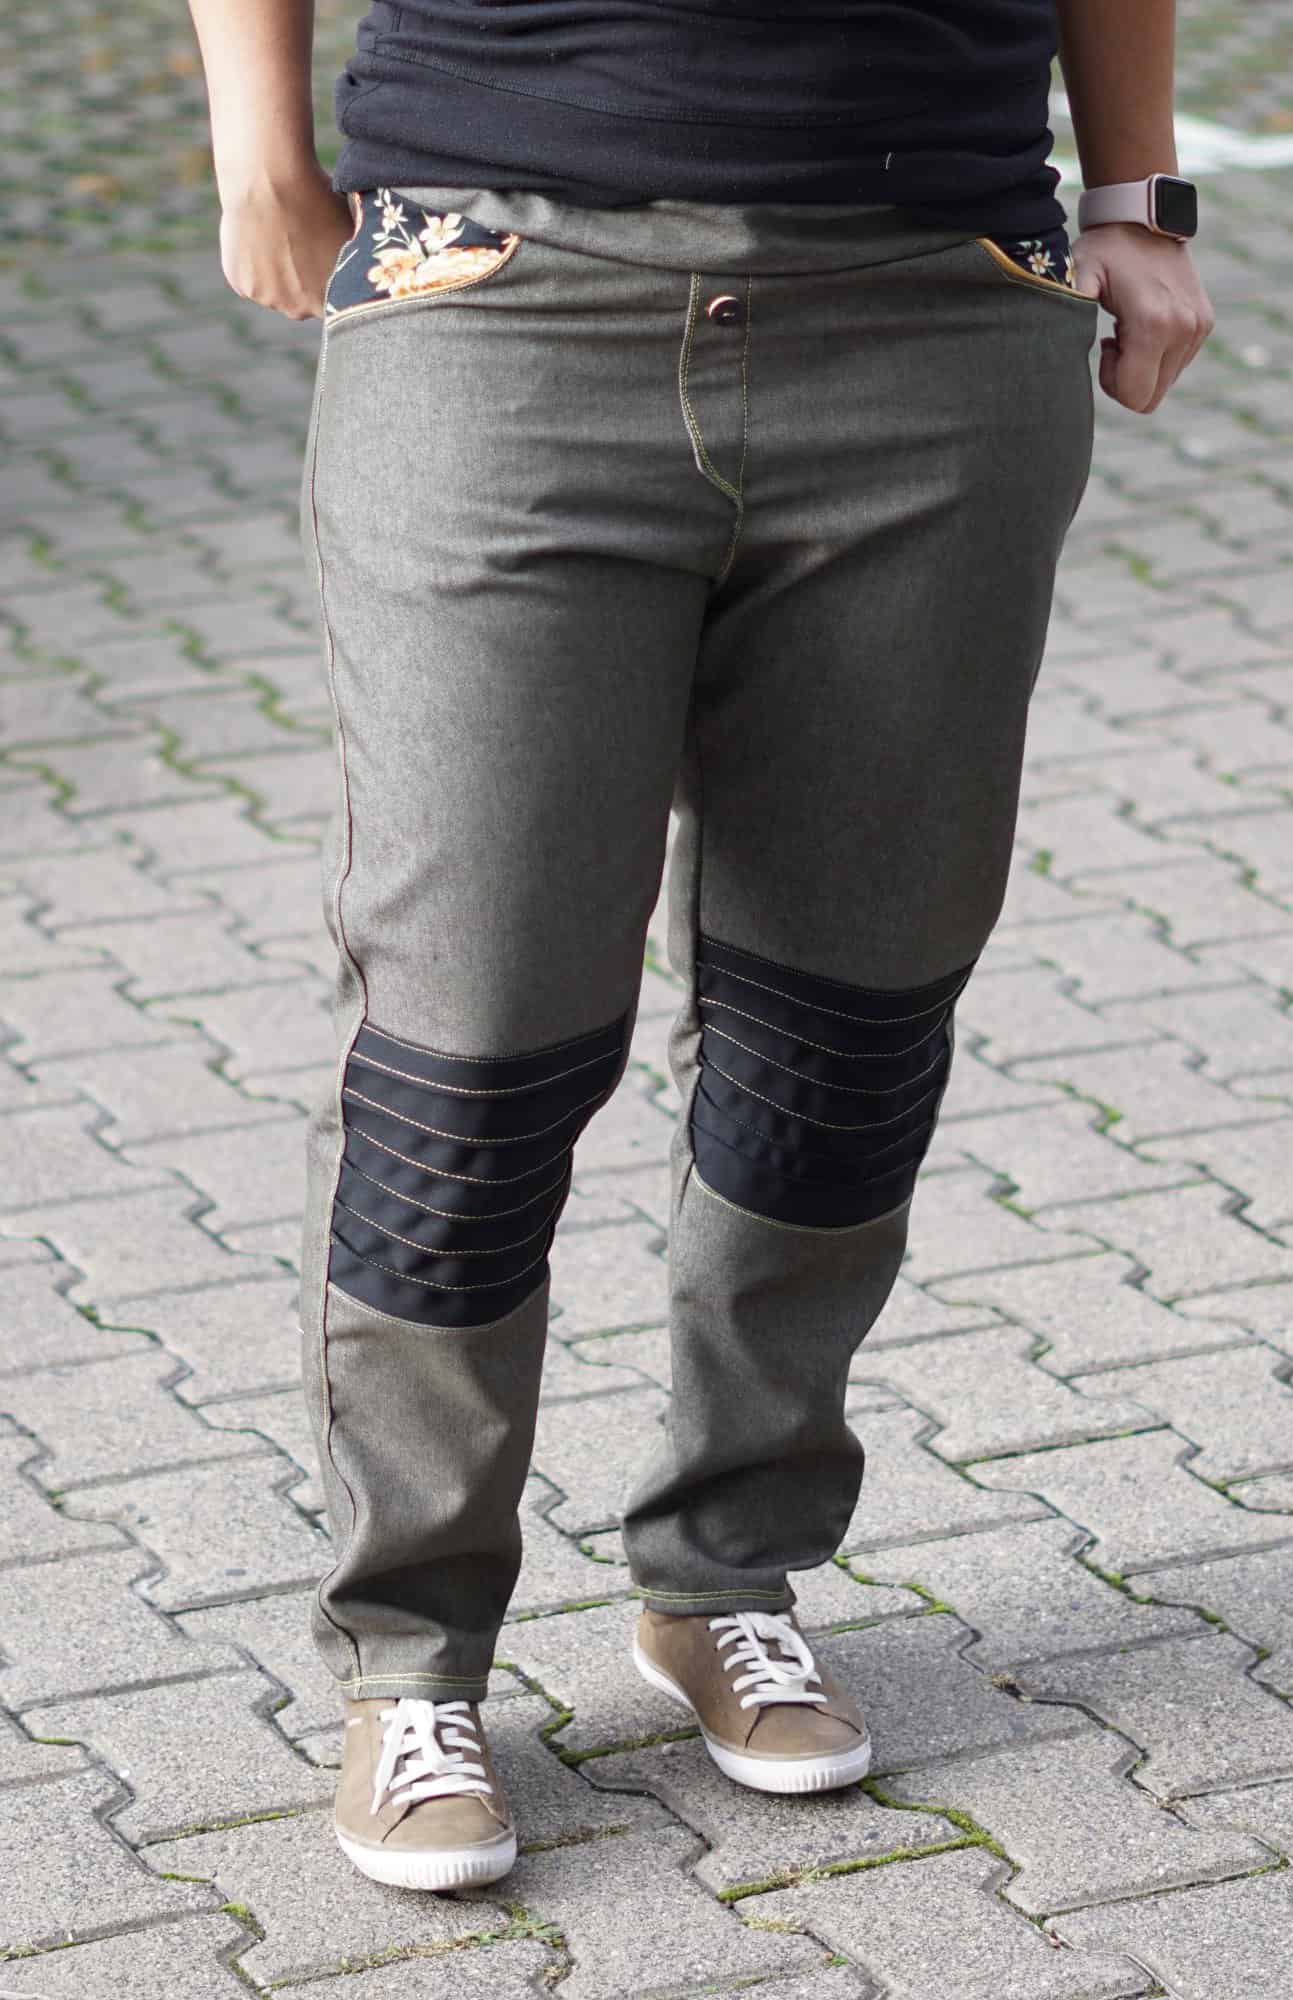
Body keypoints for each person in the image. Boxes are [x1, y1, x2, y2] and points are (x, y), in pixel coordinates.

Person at [186, 0, 1213, 1893]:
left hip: (937, 299)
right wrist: (259, 145)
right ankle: (412, 1651)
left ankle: (726, 1575)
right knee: (471, 1043)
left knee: (845, 1015)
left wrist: (1137, 195)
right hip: (503, 294)